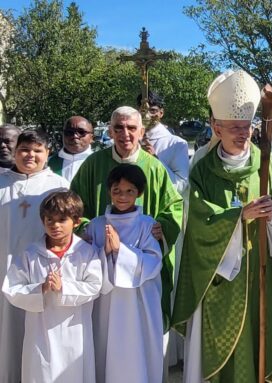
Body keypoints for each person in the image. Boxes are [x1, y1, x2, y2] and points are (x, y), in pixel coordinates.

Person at [172, 69, 272, 383]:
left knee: (262, 341)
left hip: (260, 271)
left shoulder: (265, 162)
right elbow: (198, 220)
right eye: (233, 128)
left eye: (246, 127)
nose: (242, 134)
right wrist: (238, 217)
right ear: (216, 126)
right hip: (218, 279)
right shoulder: (203, 168)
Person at [70, 106, 182, 358]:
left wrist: (163, 225)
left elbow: (174, 206)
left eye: (132, 128)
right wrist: (87, 227)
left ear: (142, 131)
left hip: (141, 274)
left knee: (139, 337)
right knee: (103, 333)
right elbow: (74, 204)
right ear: (110, 131)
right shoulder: (93, 164)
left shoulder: (154, 167)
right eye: (118, 128)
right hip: (101, 263)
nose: (125, 134)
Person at [2, 190, 102, 383]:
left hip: (75, 331)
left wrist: (64, 287)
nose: (55, 225)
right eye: (49, 220)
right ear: (42, 221)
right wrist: (40, 288)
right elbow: (11, 289)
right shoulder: (30, 254)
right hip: (40, 333)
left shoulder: (86, 252)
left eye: (62, 220)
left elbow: (95, 286)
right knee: (41, 372)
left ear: (76, 221)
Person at [0, 129, 69, 383]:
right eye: (25, 149)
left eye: (37, 150)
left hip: (41, 273)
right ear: (15, 151)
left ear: (47, 153)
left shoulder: (58, 186)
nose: (30, 155)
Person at [86, 164, 163, 383]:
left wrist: (121, 251)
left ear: (139, 193)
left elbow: (154, 262)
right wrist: (105, 253)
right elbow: (88, 265)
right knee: (105, 350)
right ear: (109, 190)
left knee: (137, 351)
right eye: (117, 191)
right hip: (105, 304)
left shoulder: (147, 225)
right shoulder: (96, 225)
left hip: (139, 304)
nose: (122, 196)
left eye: (130, 191)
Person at [138, 91, 190, 195]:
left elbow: (181, 186)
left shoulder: (177, 144)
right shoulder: (129, 141)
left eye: (152, 110)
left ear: (161, 113)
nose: (147, 116)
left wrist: (155, 161)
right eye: (143, 111)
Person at [48, 116, 94, 182]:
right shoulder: (48, 163)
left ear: (92, 137)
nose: (75, 136)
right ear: (62, 135)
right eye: (69, 132)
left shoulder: (99, 162)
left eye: (81, 132)